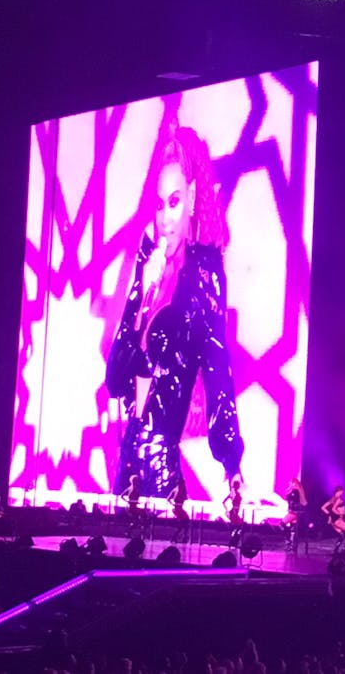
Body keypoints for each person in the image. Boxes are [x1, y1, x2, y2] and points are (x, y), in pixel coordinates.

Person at [105, 125, 244, 501]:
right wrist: (140, 298)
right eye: (159, 203)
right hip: (127, 464)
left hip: (161, 464)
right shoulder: (146, 265)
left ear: (193, 198)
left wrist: (231, 461)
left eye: (175, 201)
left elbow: (218, 369)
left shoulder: (204, 273)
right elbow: (117, 381)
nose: (165, 218)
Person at [323, 486, 345, 550]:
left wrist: (329, 515)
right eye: (342, 492)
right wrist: (339, 514)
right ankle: (344, 549)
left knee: (342, 535)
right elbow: (333, 509)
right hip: (337, 520)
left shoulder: (333, 499)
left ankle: (337, 550)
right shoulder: (338, 499)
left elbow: (323, 508)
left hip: (334, 521)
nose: (342, 493)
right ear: (339, 491)